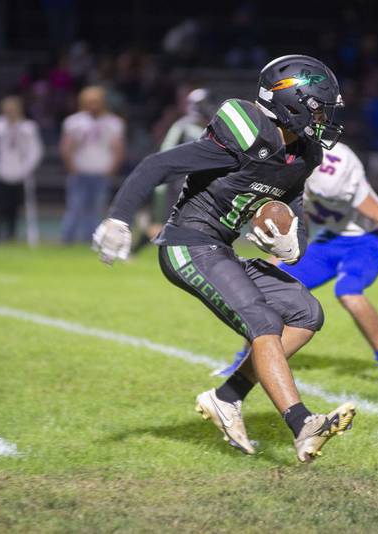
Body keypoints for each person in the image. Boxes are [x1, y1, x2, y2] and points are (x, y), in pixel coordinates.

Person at [92, 55, 355, 462]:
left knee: (306, 314)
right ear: (291, 101)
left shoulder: (305, 155)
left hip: (222, 249)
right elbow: (157, 164)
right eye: (319, 106)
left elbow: (295, 214)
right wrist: (118, 219)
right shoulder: (247, 134)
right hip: (187, 244)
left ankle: (226, 397)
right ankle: (303, 423)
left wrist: (292, 245)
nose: (325, 117)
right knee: (264, 321)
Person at [215, 142, 378, 390]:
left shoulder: (338, 179)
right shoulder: (297, 170)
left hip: (367, 240)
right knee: (267, 285)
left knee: (348, 292)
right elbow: (303, 219)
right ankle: (245, 359)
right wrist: (280, 256)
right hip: (329, 240)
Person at [132, 88, 217, 254]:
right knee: (165, 221)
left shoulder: (213, 128)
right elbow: (167, 151)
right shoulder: (183, 126)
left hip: (200, 182)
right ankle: (135, 249)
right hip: (177, 183)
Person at [59, 86, 125, 243]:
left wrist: (112, 168)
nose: (92, 105)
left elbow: (118, 148)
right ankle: (67, 239)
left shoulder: (114, 122)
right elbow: (66, 146)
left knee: (96, 209)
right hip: (80, 171)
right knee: (74, 208)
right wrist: (71, 166)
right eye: (89, 102)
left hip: (101, 172)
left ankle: (92, 240)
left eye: (95, 102)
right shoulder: (74, 122)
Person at [0, 96, 44, 242]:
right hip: (1, 172)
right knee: (0, 205)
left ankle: (11, 234)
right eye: (7, 110)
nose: (10, 113)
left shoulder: (28, 127)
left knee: (14, 206)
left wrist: (27, 167)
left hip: (20, 172)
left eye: (13, 110)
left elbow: (35, 150)